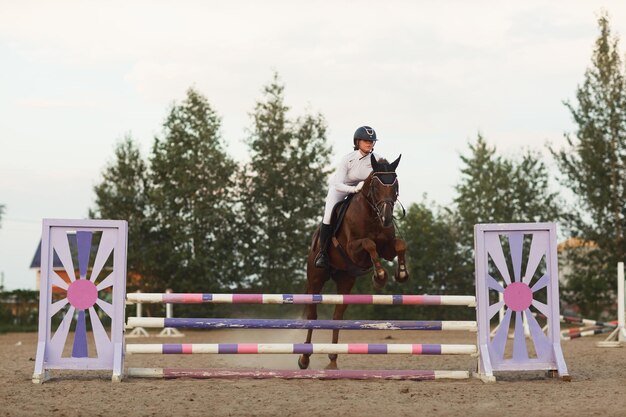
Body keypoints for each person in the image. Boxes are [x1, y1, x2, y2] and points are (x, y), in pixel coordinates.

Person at [315, 125, 382, 269]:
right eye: (365, 141)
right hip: (341, 189)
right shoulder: (348, 159)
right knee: (327, 217)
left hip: (362, 191)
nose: (369, 143)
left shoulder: (377, 159)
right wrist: (353, 189)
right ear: (357, 142)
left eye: (371, 141)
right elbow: (337, 183)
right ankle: (322, 254)